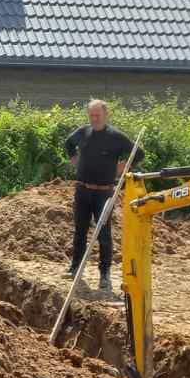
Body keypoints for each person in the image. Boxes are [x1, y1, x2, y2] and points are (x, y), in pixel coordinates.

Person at [65, 99, 141, 292]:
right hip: (82, 190)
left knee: (104, 234)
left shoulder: (115, 137)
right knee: (80, 230)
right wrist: (73, 157)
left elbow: (138, 153)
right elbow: (68, 143)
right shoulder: (83, 132)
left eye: (98, 115)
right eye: (91, 115)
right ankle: (75, 267)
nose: (94, 118)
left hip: (103, 193)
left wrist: (126, 165)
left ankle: (105, 274)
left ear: (106, 115)